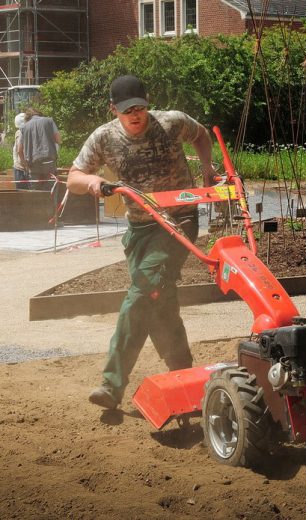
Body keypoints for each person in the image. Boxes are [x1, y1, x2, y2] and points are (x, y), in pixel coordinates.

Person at [67, 74, 217, 409]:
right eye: (126, 110)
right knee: (159, 302)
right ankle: (185, 375)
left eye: (139, 108)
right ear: (113, 109)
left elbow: (201, 134)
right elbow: (73, 178)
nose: (135, 115)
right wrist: (93, 182)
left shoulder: (172, 122)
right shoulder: (104, 138)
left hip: (179, 220)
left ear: (148, 104)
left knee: (140, 294)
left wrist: (207, 167)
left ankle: (111, 384)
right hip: (138, 228)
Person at [18, 108, 61, 191]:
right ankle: (50, 204)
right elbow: (59, 140)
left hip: (33, 164)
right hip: (49, 162)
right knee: (50, 191)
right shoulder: (49, 121)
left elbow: (19, 151)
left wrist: (25, 164)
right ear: (39, 113)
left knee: (35, 192)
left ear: (28, 117)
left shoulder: (24, 127)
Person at [13, 113, 31, 190]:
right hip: (21, 168)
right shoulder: (20, 133)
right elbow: (19, 151)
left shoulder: (20, 132)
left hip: (20, 167)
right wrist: (25, 165)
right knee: (23, 193)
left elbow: (16, 150)